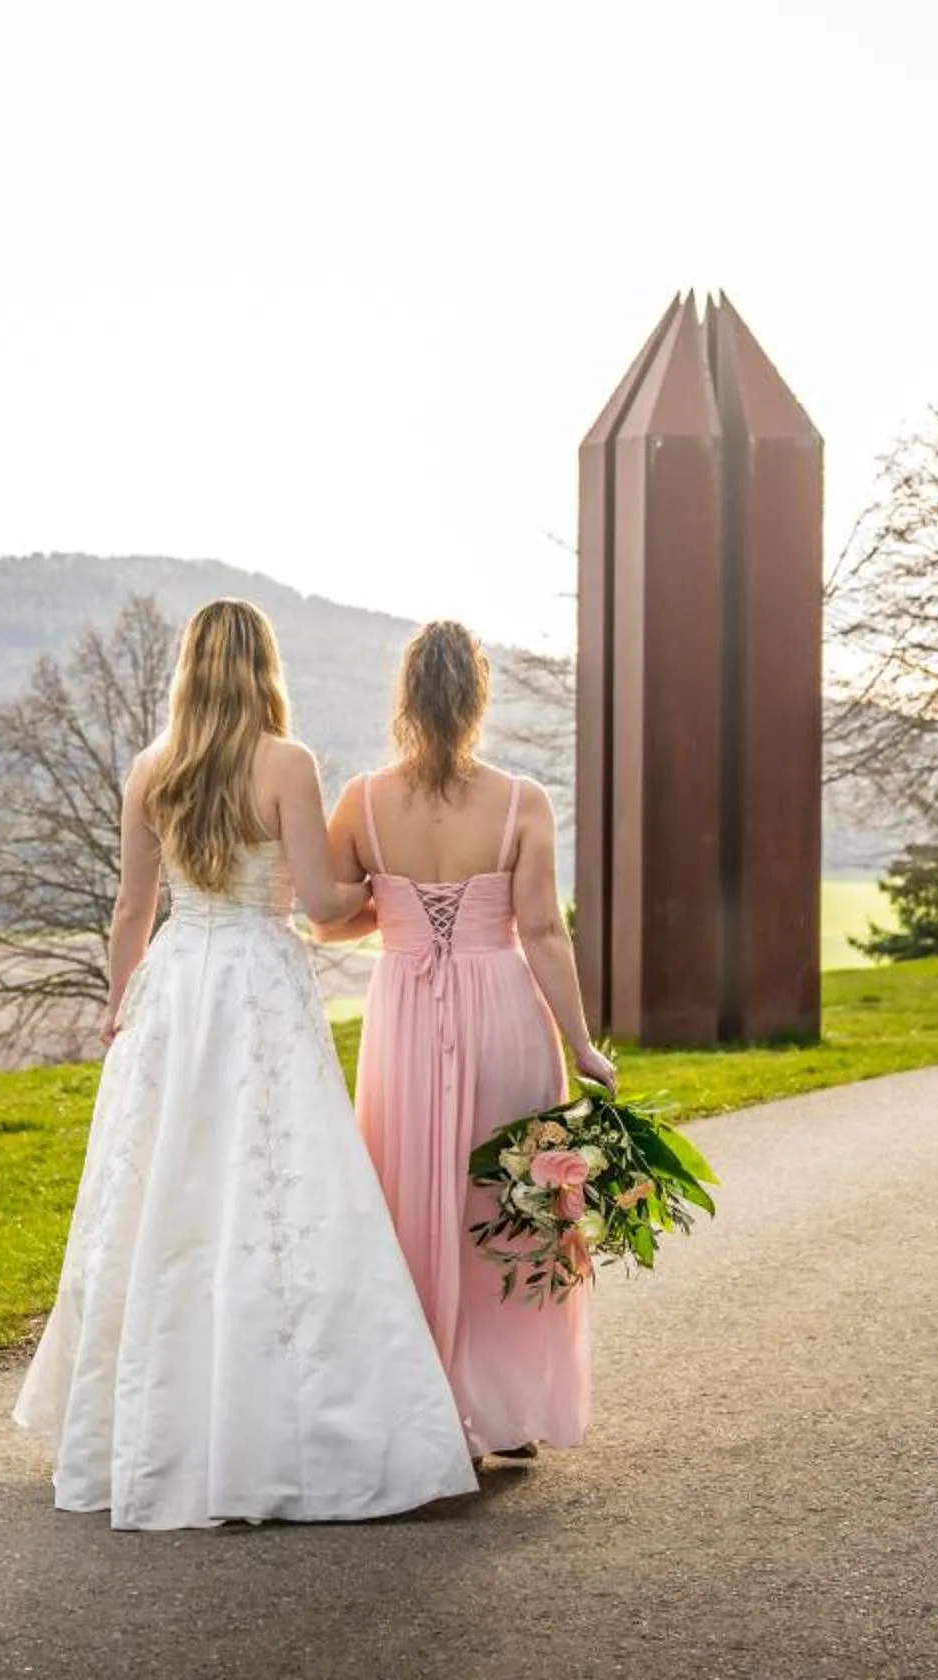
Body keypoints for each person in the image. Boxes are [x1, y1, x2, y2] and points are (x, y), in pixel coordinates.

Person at [14, 598, 478, 1529]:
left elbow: (128, 913)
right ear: (265, 665)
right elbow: (318, 897)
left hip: (179, 984)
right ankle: (290, 1422)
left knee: (166, 1189)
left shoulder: (153, 769)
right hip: (258, 981)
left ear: (188, 667)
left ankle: (150, 1421)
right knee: (277, 1183)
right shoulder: (286, 764)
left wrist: (120, 1002)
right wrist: (385, 885)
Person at [325, 619, 617, 1459]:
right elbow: (545, 935)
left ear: (407, 698)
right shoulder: (522, 801)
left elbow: (330, 916)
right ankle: (509, 1407)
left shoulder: (362, 801)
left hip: (407, 1011)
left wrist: (397, 911)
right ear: (479, 698)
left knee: (412, 1194)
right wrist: (585, 1045)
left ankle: (422, 1402)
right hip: (504, 1007)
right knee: (509, 1199)